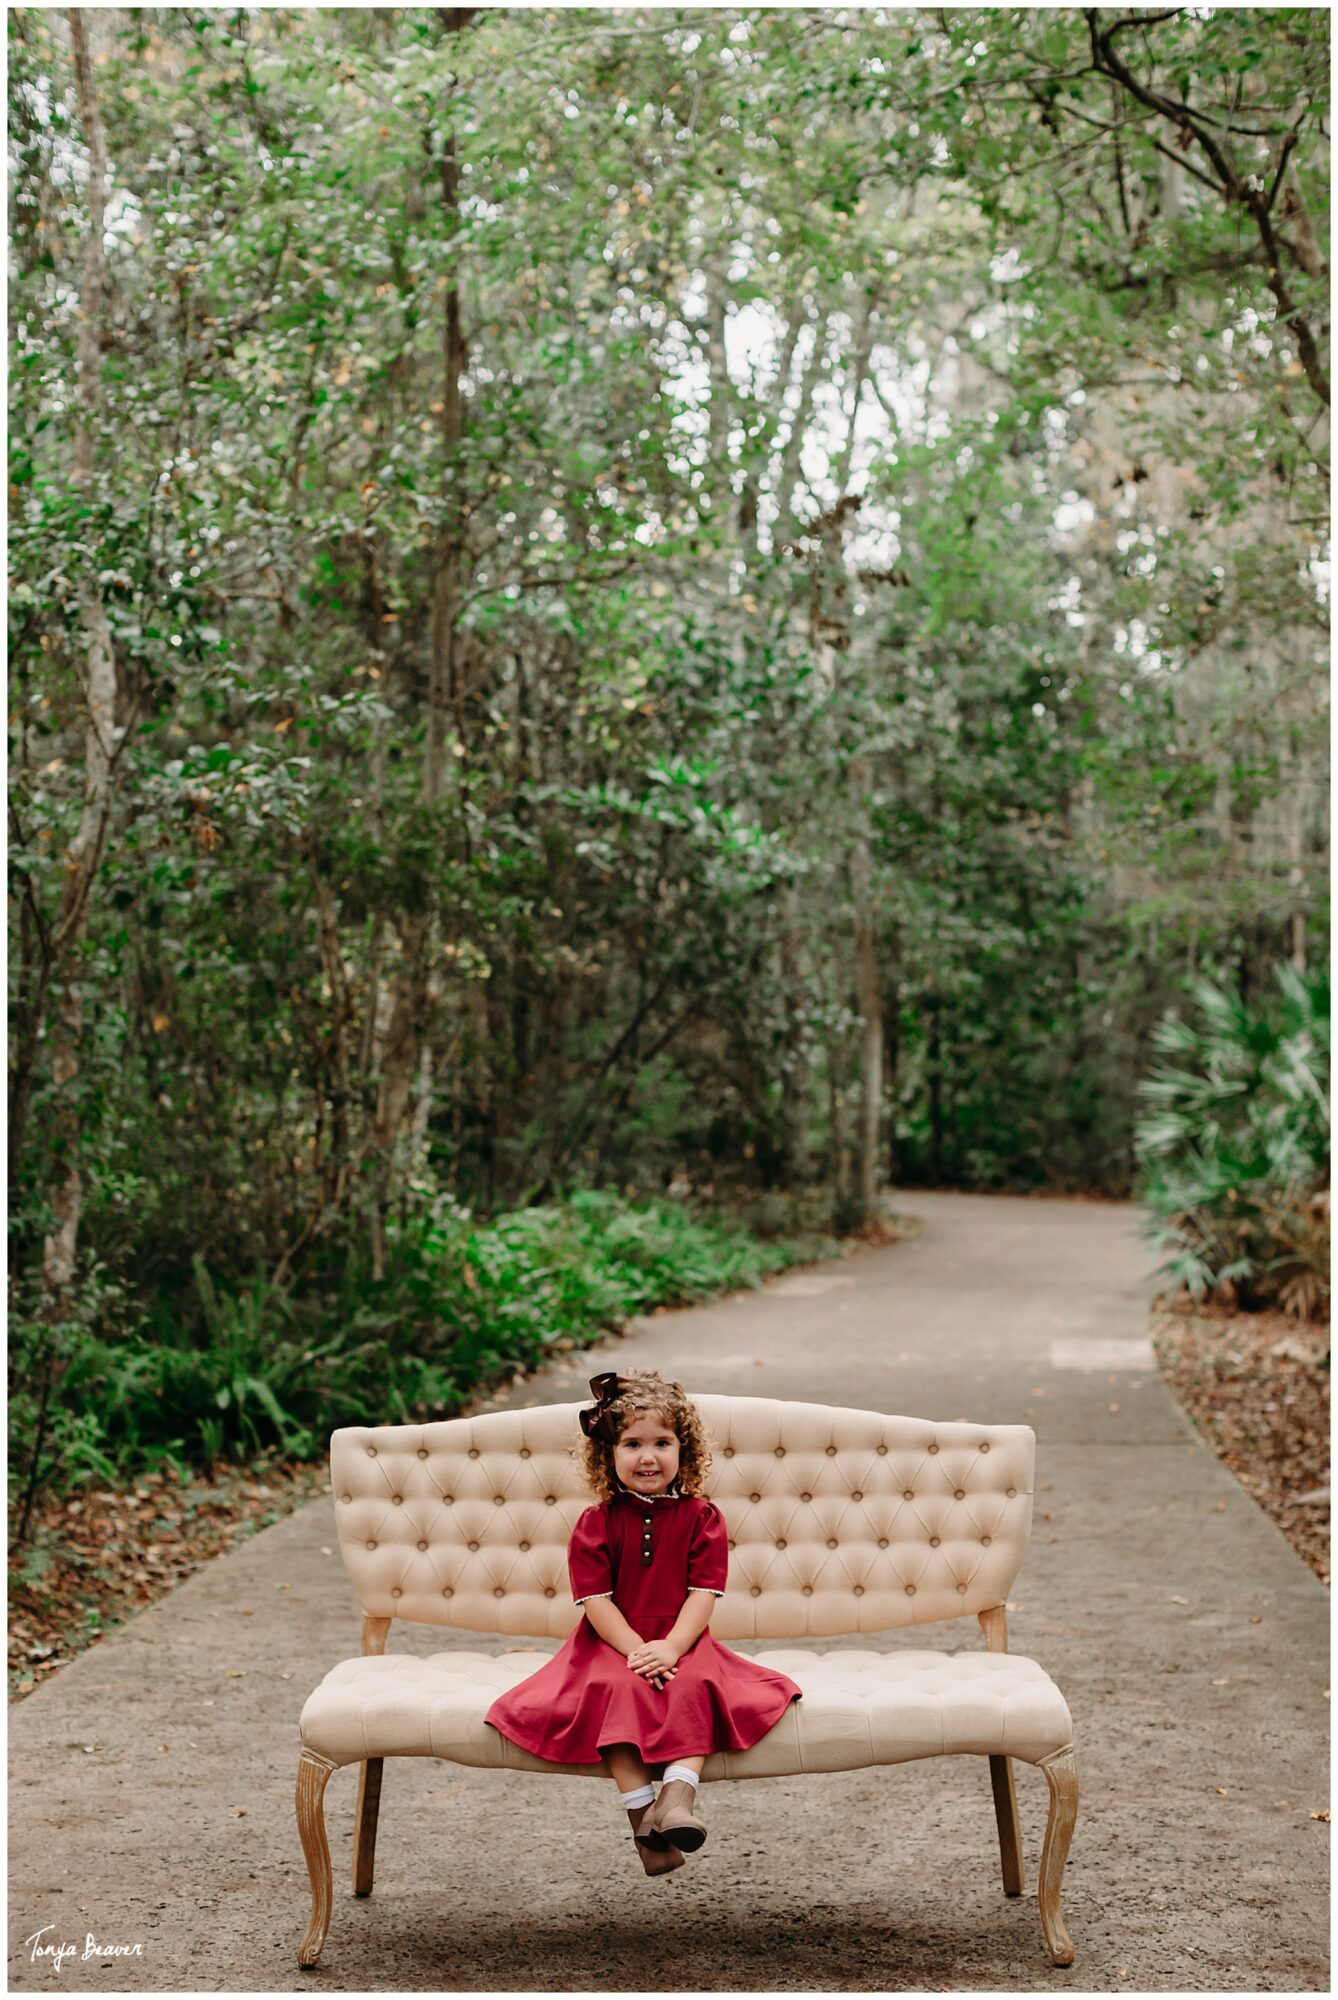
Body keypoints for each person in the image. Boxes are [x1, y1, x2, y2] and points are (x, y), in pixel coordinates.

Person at [484, 1369, 802, 1876]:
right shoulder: (597, 1521)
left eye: (662, 1443)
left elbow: (703, 1595)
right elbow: (596, 1601)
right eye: (632, 1443)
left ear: (685, 1451)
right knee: (617, 1690)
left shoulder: (703, 1518)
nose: (648, 1457)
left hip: (683, 1638)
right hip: (611, 1641)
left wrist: (672, 1647)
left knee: (696, 1684)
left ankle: (676, 1801)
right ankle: (643, 1824)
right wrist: (638, 1649)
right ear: (608, 1455)